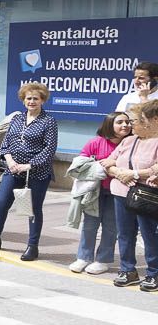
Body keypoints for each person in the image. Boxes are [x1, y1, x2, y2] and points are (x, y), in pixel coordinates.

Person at [0, 82, 59, 261]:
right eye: (28, 98)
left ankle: (32, 246)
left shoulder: (49, 121)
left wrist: (29, 165)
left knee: (32, 209)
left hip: (36, 172)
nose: (31, 101)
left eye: (35, 99)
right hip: (13, 169)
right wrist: (10, 160)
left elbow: (49, 149)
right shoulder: (16, 119)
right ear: (23, 100)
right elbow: (5, 144)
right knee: (1, 202)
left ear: (42, 100)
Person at [102, 100, 158, 290]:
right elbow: (108, 162)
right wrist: (119, 173)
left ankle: (154, 273)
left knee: (150, 235)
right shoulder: (128, 140)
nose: (130, 125)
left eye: (135, 121)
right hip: (121, 192)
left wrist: (134, 174)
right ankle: (128, 270)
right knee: (125, 234)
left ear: (148, 122)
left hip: (146, 195)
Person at [69, 112, 130, 275]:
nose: (125, 125)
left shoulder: (131, 144)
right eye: (120, 122)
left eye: (127, 122)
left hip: (118, 193)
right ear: (109, 124)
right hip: (94, 191)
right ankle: (83, 257)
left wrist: (113, 163)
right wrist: (97, 166)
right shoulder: (95, 142)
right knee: (90, 225)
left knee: (111, 227)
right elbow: (80, 163)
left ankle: (103, 260)